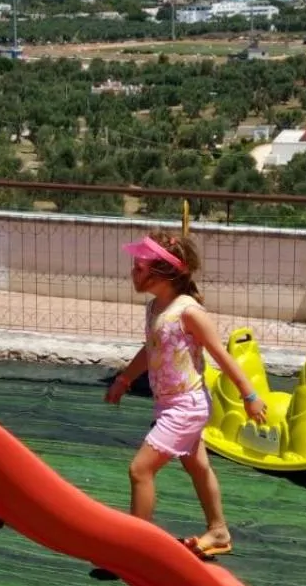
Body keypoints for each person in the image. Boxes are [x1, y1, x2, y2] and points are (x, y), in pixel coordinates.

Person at [105, 231, 268, 557]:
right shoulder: (155, 308)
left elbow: (221, 355)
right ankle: (219, 531)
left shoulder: (188, 311)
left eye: (140, 268)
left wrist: (249, 396)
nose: (133, 273)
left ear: (164, 272)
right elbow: (149, 349)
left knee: (140, 470)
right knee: (198, 468)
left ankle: (137, 550)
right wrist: (124, 379)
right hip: (168, 405)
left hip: (186, 407)